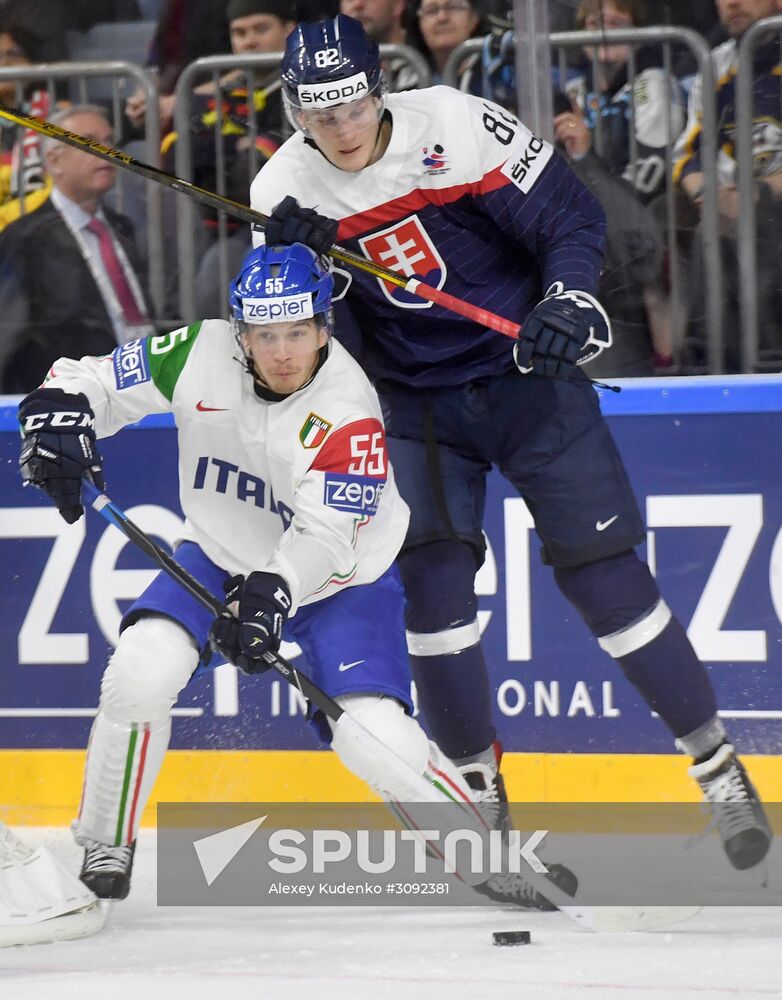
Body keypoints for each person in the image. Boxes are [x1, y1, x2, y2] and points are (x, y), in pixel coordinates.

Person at [249, 13, 772, 881]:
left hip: (526, 372)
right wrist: (302, 270)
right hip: (413, 405)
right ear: (294, 108)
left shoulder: (455, 125)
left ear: (381, 88)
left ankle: (716, 763)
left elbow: (569, 215)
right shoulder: (281, 190)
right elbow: (297, 341)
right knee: (435, 600)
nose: (338, 129)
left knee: (608, 580)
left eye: (351, 106)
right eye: (317, 111)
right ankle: (477, 799)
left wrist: (567, 299)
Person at [16, 242, 493, 902]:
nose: (282, 352)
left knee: (371, 736)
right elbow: (94, 378)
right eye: (264, 335)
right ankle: (103, 841)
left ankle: (487, 853)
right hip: (222, 554)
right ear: (241, 331)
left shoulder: (347, 409)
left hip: (340, 581)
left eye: (298, 332)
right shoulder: (198, 352)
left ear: (324, 325)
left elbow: (326, 537)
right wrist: (58, 403)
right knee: (140, 668)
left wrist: (271, 594)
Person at [0, 105, 151, 393]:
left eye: (109, 140)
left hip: (143, 379)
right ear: (55, 161)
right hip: (73, 393)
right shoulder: (25, 238)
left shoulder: (122, 228)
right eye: (90, 141)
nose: (106, 150)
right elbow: (9, 337)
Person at [673, 0, 782, 372]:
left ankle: (768, 361)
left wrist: (759, 193)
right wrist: (708, 197)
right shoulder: (715, 64)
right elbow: (690, 153)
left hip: (767, 200)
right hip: (733, 198)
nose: (731, 3)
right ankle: (709, 360)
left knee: (758, 216)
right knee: (687, 221)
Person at [161, 0, 297, 244]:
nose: (249, 41)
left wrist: (214, 152)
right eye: (239, 33)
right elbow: (175, 156)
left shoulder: (304, 91)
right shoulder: (210, 92)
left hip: (271, 226)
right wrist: (238, 146)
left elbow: (251, 180)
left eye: (261, 29)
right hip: (205, 222)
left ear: (289, 30)